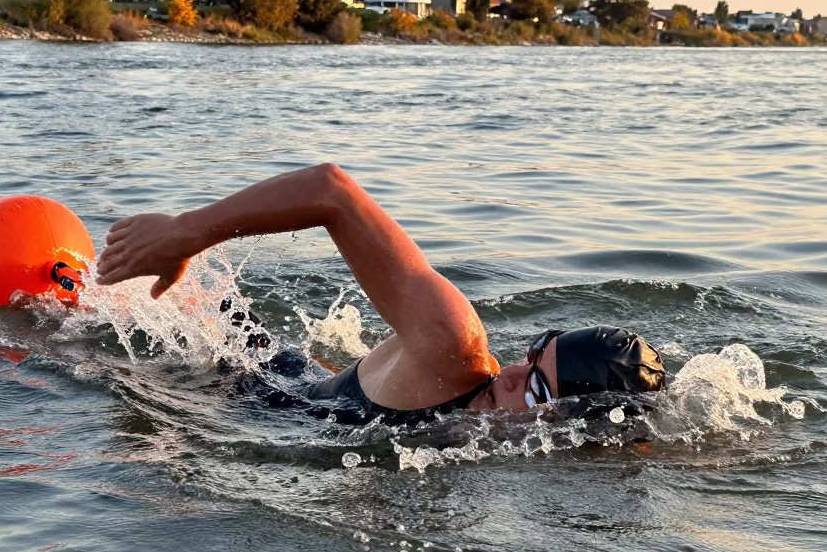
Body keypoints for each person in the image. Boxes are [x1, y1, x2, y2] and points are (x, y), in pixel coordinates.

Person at [96, 164, 665, 424]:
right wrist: (184, 234)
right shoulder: (453, 345)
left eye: (538, 386)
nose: (512, 373)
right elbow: (332, 191)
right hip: (246, 389)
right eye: (534, 353)